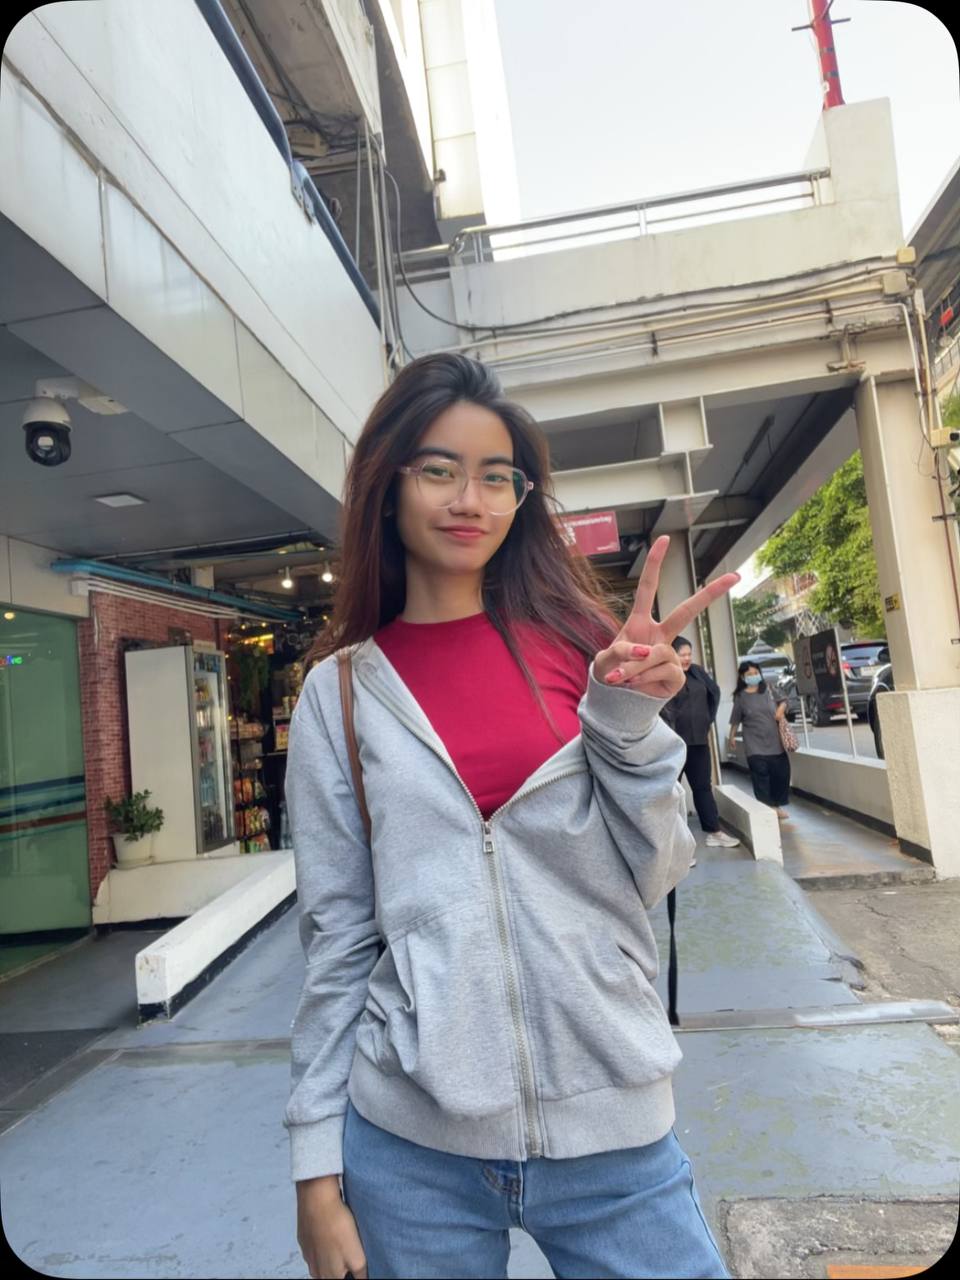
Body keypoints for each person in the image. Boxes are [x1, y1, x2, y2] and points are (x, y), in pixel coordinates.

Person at [284, 352, 739, 1280]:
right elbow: (338, 937)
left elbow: (658, 867)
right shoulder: (339, 693)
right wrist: (314, 1172)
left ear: (523, 498)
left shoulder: (585, 652)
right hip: (410, 1147)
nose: (471, 500)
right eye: (439, 470)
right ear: (388, 487)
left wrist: (625, 720)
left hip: (613, 1130)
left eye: (498, 477)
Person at [660, 636, 740, 856]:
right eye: (682, 654)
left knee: (703, 787)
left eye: (689, 654)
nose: (687, 658)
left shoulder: (697, 672)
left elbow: (714, 693)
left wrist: (707, 720)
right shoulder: (664, 675)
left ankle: (714, 832)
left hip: (698, 741)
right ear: (672, 654)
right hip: (673, 744)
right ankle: (674, 844)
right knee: (671, 791)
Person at [726, 660, 791, 820]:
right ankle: (768, 807)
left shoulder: (769, 688)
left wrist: (780, 710)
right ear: (743, 677)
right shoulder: (740, 697)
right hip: (754, 744)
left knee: (781, 773)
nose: (754, 676)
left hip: (775, 741)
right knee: (760, 774)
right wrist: (732, 736)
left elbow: (784, 700)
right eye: (749, 674)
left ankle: (776, 803)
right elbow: (736, 719)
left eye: (756, 673)